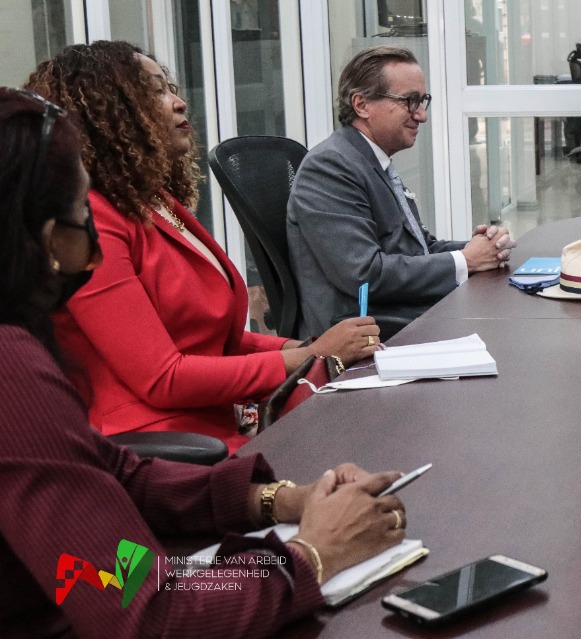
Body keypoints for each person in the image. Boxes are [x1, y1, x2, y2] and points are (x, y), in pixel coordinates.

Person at [0, 86, 409, 638]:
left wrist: (279, 500)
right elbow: (150, 613)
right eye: (81, 218)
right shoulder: (11, 372)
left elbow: (115, 472)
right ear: (42, 241)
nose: (94, 253)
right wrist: (315, 553)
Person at [26, 41, 379, 454]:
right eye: (155, 92)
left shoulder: (154, 201)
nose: (179, 102)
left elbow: (214, 339)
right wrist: (312, 355)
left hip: (213, 428)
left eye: (170, 88)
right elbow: (163, 378)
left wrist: (303, 347)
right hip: (160, 446)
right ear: (109, 114)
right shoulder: (97, 220)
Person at [288, 46, 513, 339]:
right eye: (410, 101)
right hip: (366, 333)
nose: (422, 115)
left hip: (399, 315)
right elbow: (364, 275)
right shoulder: (330, 167)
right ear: (362, 105)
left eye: (423, 101)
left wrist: (483, 248)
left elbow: (418, 248)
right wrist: (466, 260)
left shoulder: (369, 160)